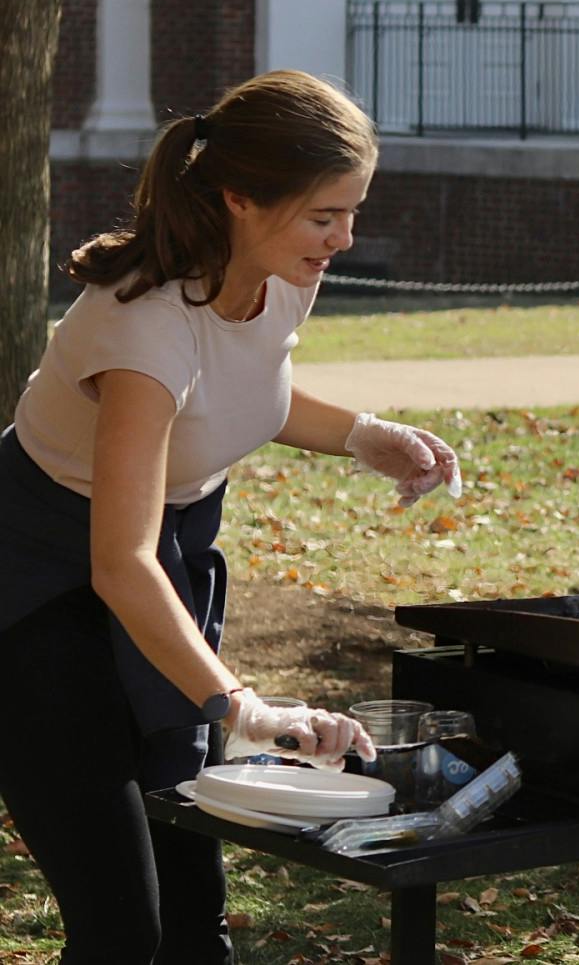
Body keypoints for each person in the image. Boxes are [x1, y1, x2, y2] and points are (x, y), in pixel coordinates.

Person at [0, 71, 464, 963]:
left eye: (354, 210)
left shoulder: (282, 275)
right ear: (241, 198)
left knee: (192, 919)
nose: (345, 238)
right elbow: (119, 560)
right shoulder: (143, 328)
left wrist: (364, 435)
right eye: (325, 215)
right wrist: (239, 703)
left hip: (156, 562)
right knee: (121, 928)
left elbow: (243, 391)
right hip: (38, 585)